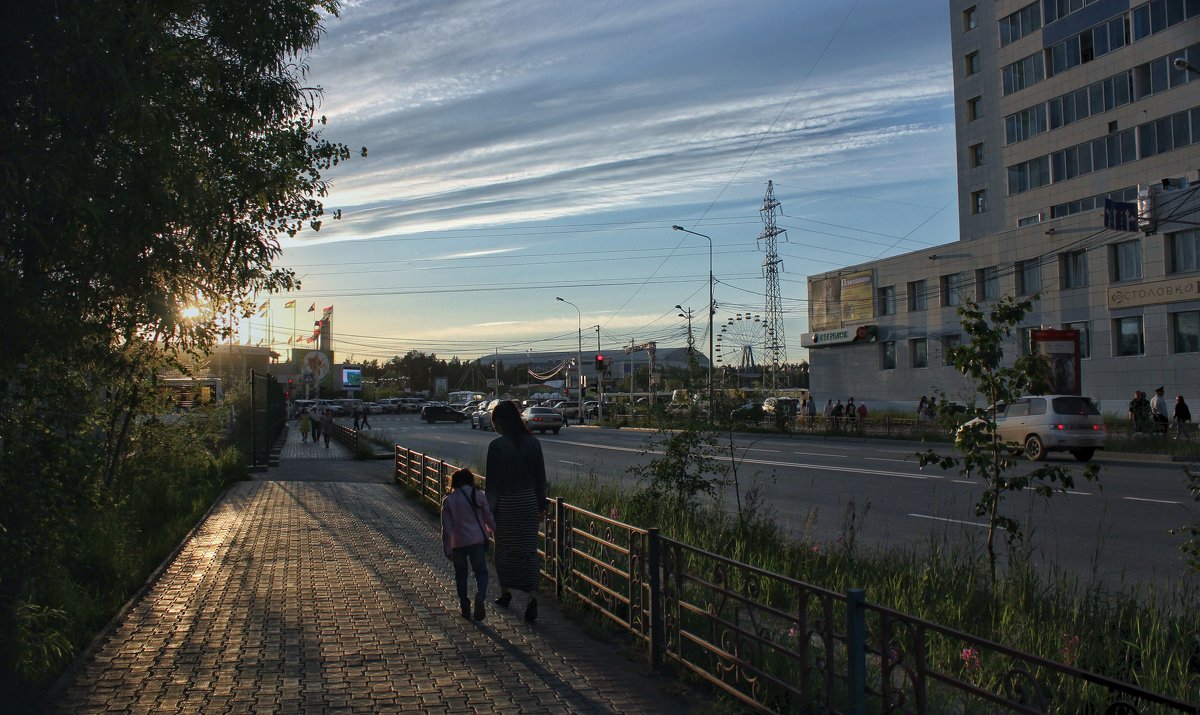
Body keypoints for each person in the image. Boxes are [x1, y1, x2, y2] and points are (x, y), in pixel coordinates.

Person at [486, 400, 548, 623]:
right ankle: (532, 595)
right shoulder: (533, 443)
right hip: (529, 503)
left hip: (507, 505)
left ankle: (506, 593)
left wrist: (489, 512)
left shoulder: (497, 447)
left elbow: (492, 485)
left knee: (504, 550)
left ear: (501, 422)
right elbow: (541, 478)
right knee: (528, 550)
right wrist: (541, 506)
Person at [441, 468, 496, 621]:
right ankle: (481, 596)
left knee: (461, 575)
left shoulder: (449, 500)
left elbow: (447, 528)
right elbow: (488, 517)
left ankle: (465, 605)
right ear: (471, 480)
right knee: (481, 572)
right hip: (476, 541)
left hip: (457, 544)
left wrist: (447, 548)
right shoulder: (478, 495)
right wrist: (491, 530)